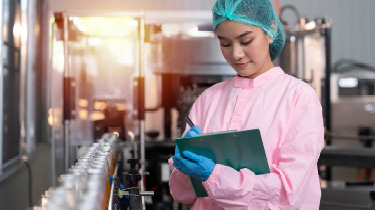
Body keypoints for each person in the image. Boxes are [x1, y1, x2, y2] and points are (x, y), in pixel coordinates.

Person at [168, 0, 324, 209]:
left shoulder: (298, 97)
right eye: (225, 44)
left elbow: (289, 191)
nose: (236, 54)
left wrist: (215, 176)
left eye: (246, 41)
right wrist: (184, 168)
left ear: (271, 31)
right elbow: (184, 195)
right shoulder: (208, 99)